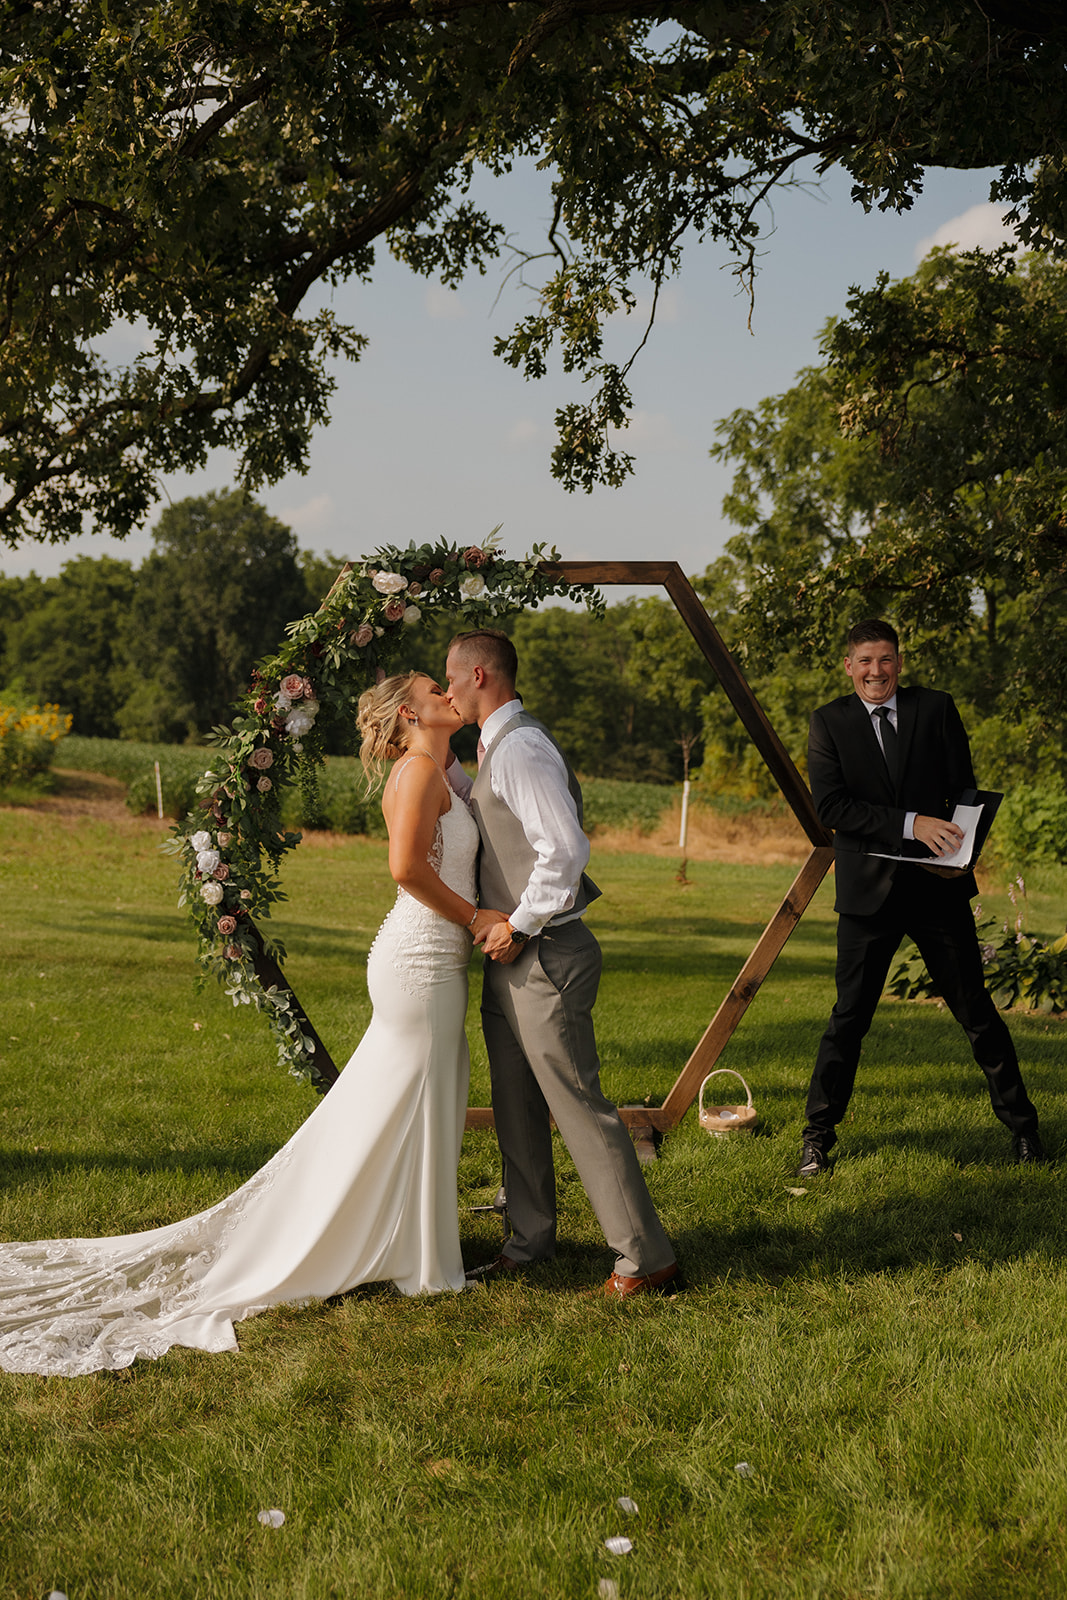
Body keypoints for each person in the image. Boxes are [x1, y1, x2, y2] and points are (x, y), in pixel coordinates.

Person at [0, 672, 502, 1377]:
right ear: (408, 713)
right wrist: (477, 917)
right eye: (432, 687)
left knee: (419, 1102)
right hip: (419, 958)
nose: (449, 693)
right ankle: (414, 1261)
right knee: (413, 1100)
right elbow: (405, 871)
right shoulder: (418, 773)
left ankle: (419, 1253)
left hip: (433, 958)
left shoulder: (436, 767)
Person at [443, 629, 681, 1298]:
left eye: (452, 679)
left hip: (544, 953)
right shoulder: (495, 748)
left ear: (481, 675)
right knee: (516, 1106)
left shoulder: (521, 747)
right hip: (511, 956)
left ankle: (646, 1259)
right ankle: (529, 1238)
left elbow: (564, 852)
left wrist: (516, 925)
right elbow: (492, 815)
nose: (448, 691)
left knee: (579, 1107)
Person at [799, 619, 1045, 1177]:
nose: (875, 671)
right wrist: (913, 823)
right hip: (867, 898)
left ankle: (1025, 1130)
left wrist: (964, 858)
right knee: (847, 1021)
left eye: (885, 659)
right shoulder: (829, 723)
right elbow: (832, 809)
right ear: (848, 666)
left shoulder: (935, 708)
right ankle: (817, 1138)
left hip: (937, 890)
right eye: (864, 661)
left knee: (977, 1013)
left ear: (900, 663)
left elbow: (965, 790)